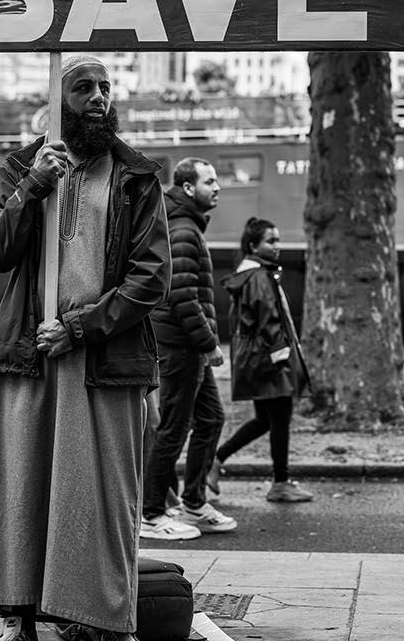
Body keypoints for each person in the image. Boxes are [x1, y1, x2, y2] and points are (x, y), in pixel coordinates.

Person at [0, 53, 171, 641]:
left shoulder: (136, 176)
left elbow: (151, 278)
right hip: (30, 357)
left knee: (101, 497)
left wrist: (80, 327)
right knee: (23, 488)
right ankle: (19, 613)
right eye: (83, 87)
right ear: (58, 101)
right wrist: (33, 187)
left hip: (103, 358)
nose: (99, 97)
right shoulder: (23, 167)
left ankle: (98, 616)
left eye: (106, 86)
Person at [140, 157, 235, 540]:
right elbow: (181, 295)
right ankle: (150, 514)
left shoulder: (187, 225)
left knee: (211, 418)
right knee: (173, 430)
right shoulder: (182, 228)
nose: (217, 187)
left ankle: (193, 503)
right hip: (181, 347)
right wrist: (209, 343)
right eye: (209, 181)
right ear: (185, 186)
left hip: (187, 345)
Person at [212, 216, 315, 503]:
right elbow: (269, 319)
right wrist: (283, 358)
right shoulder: (259, 277)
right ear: (254, 246)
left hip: (257, 357)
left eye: (278, 240)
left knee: (265, 419)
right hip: (271, 359)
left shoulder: (249, 274)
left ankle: (217, 459)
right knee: (279, 419)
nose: (277, 246)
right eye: (271, 241)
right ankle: (280, 482)